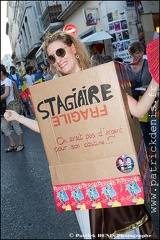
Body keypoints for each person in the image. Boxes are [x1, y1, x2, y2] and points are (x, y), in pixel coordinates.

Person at [4, 32, 159, 239]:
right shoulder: (56, 91)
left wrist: (156, 80)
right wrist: (18, 117)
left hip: (114, 173)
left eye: (60, 52)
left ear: (73, 48)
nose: (58, 60)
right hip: (83, 181)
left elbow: (139, 111)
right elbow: (48, 128)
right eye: (52, 57)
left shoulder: (102, 77)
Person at [126, 41, 153, 160]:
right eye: (136, 53)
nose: (139, 55)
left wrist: (147, 88)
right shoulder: (126, 68)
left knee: (154, 129)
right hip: (136, 103)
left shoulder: (149, 64)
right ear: (130, 53)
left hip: (152, 101)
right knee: (145, 131)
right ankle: (152, 158)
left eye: (141, 52)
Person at [1, 64, 24, 152]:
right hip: (3, 109)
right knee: (3, 127)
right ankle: (12, 144)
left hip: (11, 107)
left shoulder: (7, 81)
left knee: (16, 126)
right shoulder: (1, 82)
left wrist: (20, 103)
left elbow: (6, 94)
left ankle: (21, 144)